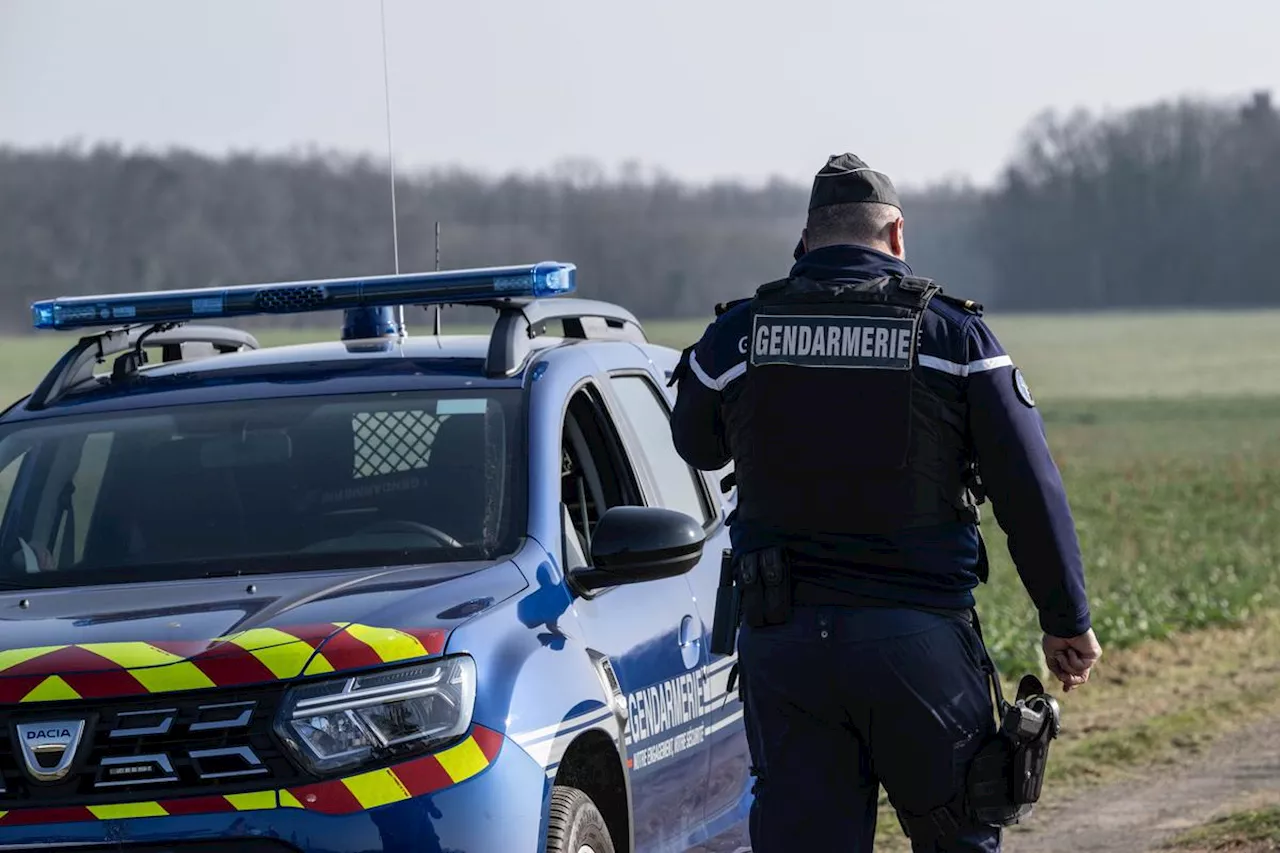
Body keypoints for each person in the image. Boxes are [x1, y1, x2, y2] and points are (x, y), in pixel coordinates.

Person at [668, 153, 1102, 852]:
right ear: (896, 236)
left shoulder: (739, 336)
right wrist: (1065, 620)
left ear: (805, 241)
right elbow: (1028, 485)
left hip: (788, 644)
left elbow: (695, 442)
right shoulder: (955, 340)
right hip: (917, 641)